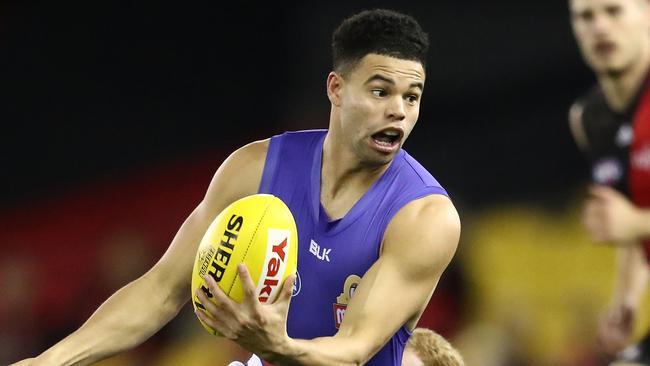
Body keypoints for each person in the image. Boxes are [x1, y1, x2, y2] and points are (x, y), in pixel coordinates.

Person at [12, 8, 460, 366]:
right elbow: (161, 289)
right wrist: (50, 360)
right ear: (336, 89)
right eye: (381, 92)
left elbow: (354, 351)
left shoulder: (424, 217)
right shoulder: (256, 169)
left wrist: (278, 346)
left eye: (412, 96)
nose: (399, 111)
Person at [568, 0, 650, 363]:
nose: (599, 27)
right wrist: (626, 300)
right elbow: (632, 227)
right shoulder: (588, 118)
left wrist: (634, 222)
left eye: (613, 11)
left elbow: (633, 221)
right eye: (586, 16)